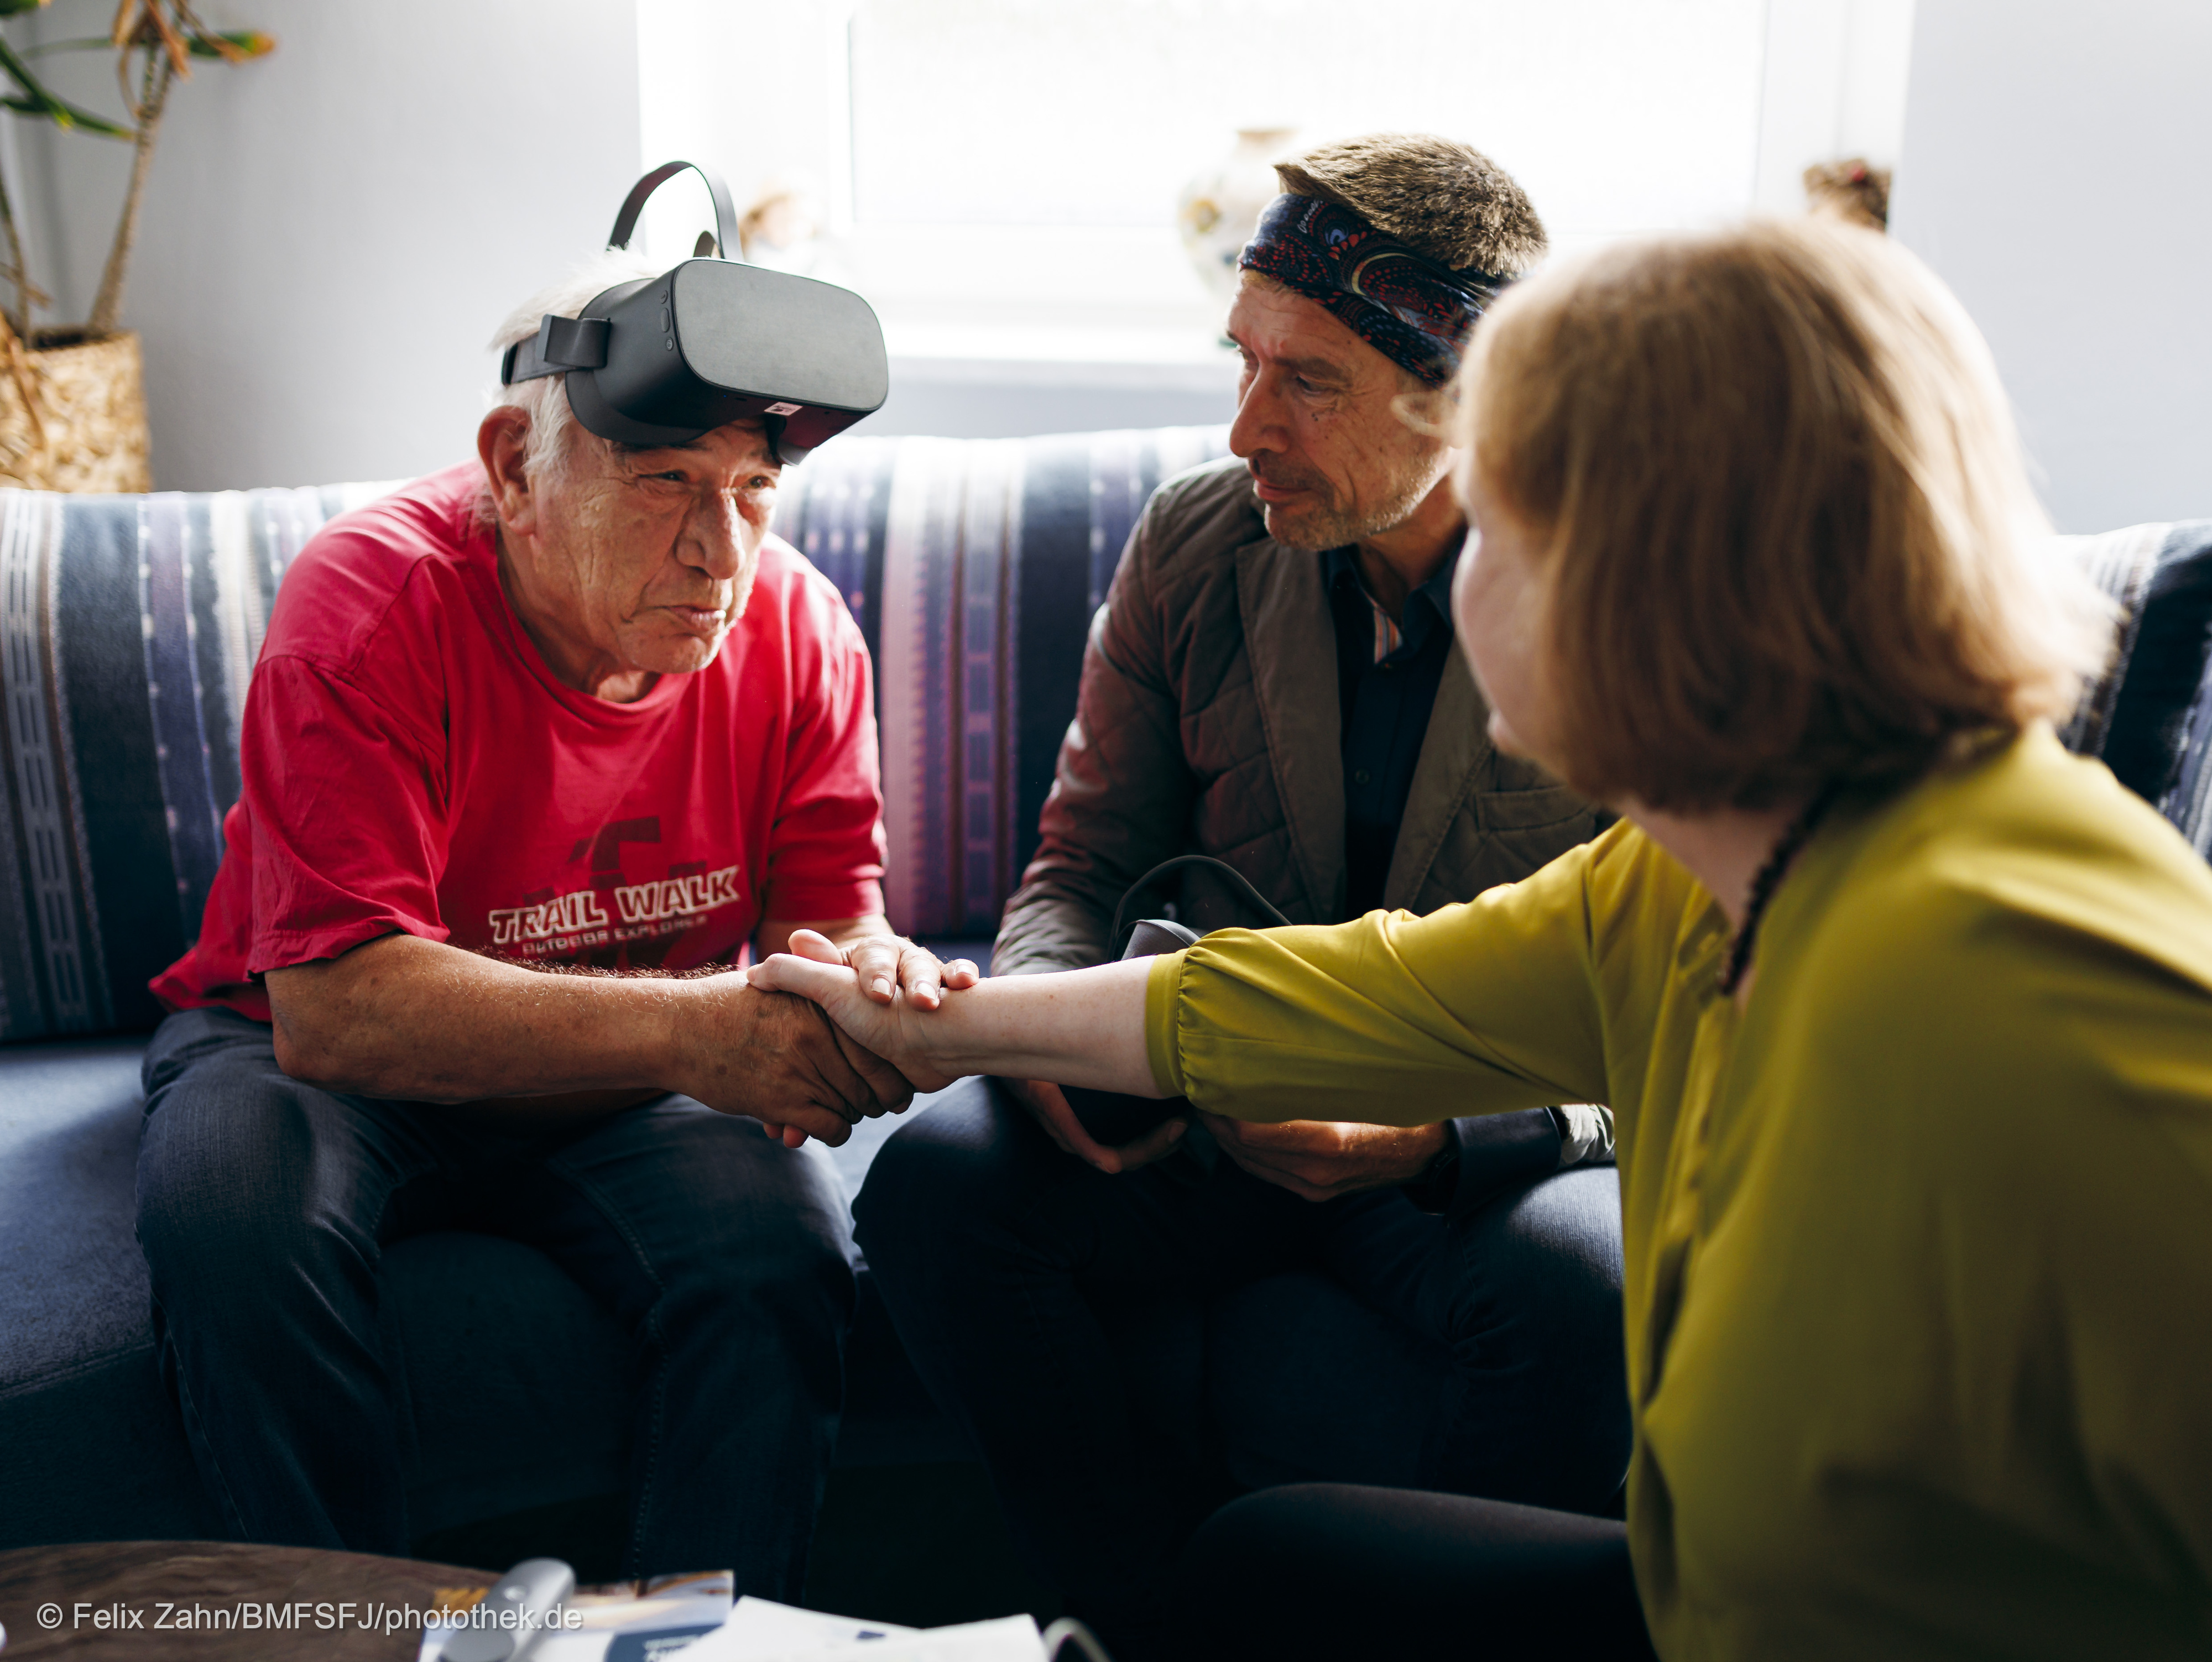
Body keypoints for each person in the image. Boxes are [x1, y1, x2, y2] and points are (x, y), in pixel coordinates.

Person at [755, 216, 2212, 1659]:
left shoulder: (2039, 973)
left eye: (1503, 516)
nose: (1466, 568)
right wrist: (936, 1023)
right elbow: (1322, 989)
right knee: (1260, 1565)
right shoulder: (1691, 869)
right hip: (1719, 1600)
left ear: (1658, 568)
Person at [853, 134, 1629, 1650]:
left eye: (1310, 381)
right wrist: (1043, 1048)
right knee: (942, 1184)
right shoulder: (1198, 540)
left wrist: (1449, 1136)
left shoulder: (1629, 587)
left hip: (1472, 1155)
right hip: (1207, 1112)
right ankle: (1139, 1624)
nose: (1246, 425)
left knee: (1581, 1293)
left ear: (1470, 396)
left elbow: (1712, 1007)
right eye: (1244, 363)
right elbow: (1076, 864)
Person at [135, 253, 975, 1591]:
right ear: (515, 466)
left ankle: (698, 1638)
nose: (722, 550)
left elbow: (828, 909)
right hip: (317, 1047)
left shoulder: (801, 631)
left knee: (784, 1262)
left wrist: (868, 979)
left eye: (754, 489)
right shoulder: (366, 609)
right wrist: (702, 1029)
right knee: (240, 1218)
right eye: (664, 486)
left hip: (632, 1070)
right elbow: (340, 1006)